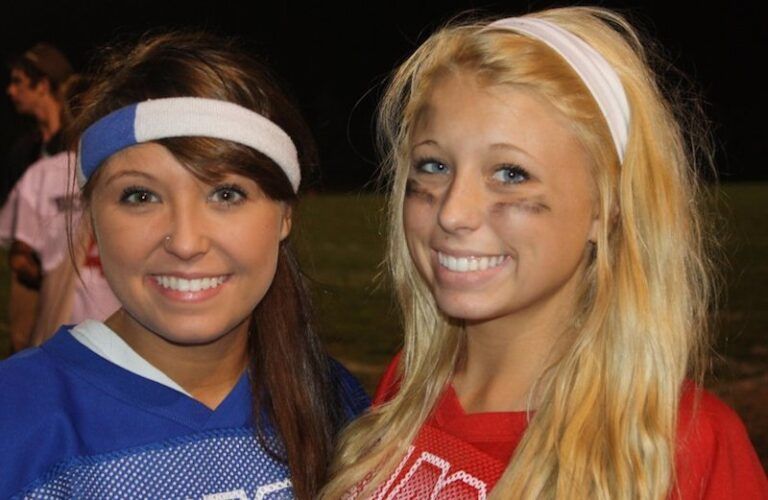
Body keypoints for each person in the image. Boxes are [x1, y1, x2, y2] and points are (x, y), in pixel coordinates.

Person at [323, 7, 768, 499]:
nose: (453, 212)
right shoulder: (410, 385)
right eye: (433, 165)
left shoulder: (686, 443)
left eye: (511, 173)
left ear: (607, 208)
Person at [0, 31, 369, 499]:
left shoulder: (337, 403)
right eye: (141, 196)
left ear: (285, 214)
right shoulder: (16, 417)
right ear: (90, 216)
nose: (187, 242)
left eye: (226, 194)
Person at [2, 42, 74, 352]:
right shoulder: (24, 151)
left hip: (73, 277)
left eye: (18, 81)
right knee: (24, 354)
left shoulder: (78, 145)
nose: (10, 91)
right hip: (29, 275)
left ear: (43, 84)